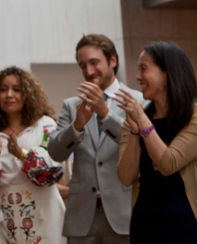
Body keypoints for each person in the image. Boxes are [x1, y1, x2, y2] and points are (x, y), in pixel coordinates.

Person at [114, 41, 197, 244]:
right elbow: (126, 177)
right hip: (145, 223)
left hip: (188, 223)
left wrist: (142, 121)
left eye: (144, 69)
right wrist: (135, 132)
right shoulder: (136, 118)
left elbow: (168, 164)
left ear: (167, 73)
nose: (137, 77)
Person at [48, 34, 142, 244]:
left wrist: (105, 114)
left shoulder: (137, 100)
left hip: (125, 213)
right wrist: (77, 126)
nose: (88, 71)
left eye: (94, 62)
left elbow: (143, 146)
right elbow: (55, 152)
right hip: (82, 217)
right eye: (83, 65)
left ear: (113, 61)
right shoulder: (72, 106)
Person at [0, 66, 65, 244]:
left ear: (28, 94)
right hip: (6, 217)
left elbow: (52, 173)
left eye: (16, 89)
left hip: (44, 213)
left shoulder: (45, 125)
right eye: (3, 90)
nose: (9, 95)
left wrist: (20, 154)